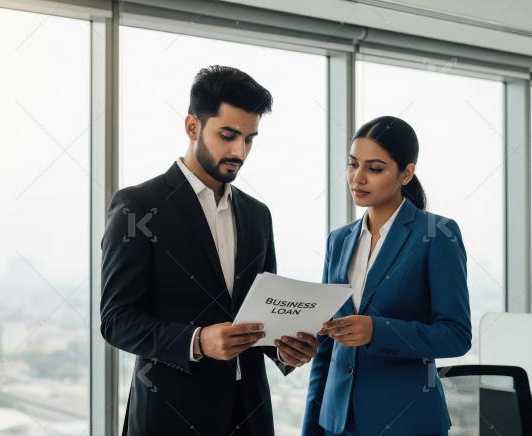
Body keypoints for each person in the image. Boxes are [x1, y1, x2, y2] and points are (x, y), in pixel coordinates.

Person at [100, 65, 319, 435]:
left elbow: (263, 310)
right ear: (192, 127)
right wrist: (197, 341)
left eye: (249, 139)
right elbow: (117, 320)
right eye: (228, 135)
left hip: (249, 415)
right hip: (170, 417)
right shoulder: (138, 206)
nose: (239, 151)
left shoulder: (257, 215)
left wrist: (284, 349)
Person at [302, 116, 472, 435]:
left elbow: (456, 335)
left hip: (407, 421)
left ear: (406, 173)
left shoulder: (438, 234)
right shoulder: (339, 240)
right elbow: (325, 346)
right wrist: (313, 427)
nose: (358, 177)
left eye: (375, 168)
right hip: (338, 423)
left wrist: (377, 331)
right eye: (353, 165)